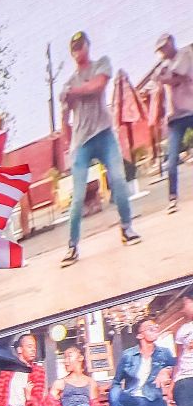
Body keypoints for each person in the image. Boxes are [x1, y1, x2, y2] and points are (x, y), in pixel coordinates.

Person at [59, 31, 140, 264]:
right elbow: (65, 116)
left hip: (104, 134)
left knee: (118, 178)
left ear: (88, 46)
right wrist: (68, 146)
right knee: (78, 196)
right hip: (81, 141)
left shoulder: (101, 64)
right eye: (74, 49)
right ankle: (72, 246)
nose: (78, 51)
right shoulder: (68, 83)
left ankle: (127, 228)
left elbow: (97, 86)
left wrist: (73, 92)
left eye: (81, 46)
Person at [162, 35, 193, 211]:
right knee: (171, 159)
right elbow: (159, 81)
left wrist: (162, 77)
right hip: (175, 117)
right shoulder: (164, 65)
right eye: (160, 50)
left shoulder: (185, 53)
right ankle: (172, 198)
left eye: (165, 47)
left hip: (191, 110)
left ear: (172, 43)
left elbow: (177, 77)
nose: (163, 52)